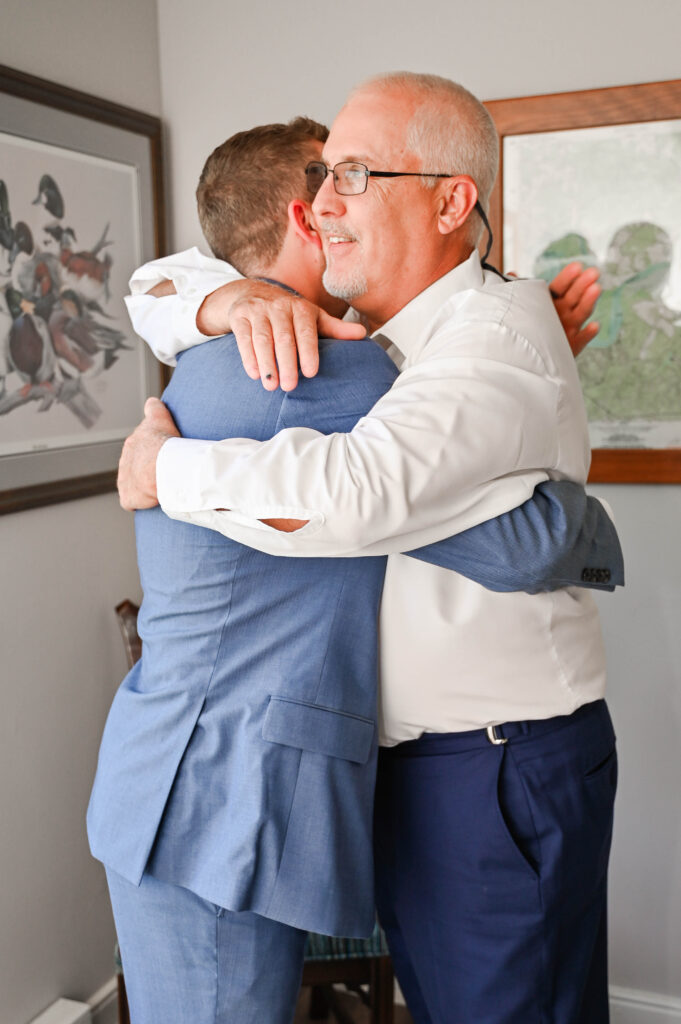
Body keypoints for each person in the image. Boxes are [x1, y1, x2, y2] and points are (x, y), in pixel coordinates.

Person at [117, 74, 621, 1024]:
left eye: (353, 174)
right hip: (329, 778)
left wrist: (165, 465)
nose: (326, 204)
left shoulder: (475, 343)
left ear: (448, 199)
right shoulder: (353, 354)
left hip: (492, 767)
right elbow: (157, 281)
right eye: (319, 183)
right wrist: (227, 301)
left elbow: (363, 494)